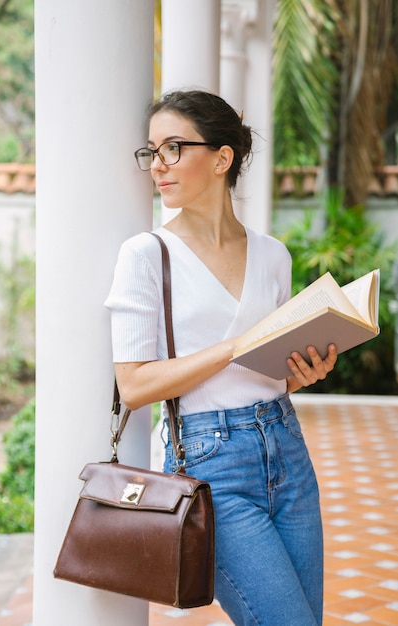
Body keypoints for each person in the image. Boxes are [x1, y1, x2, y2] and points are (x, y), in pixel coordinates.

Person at [104, 89, 337, 626]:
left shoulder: (273, 255)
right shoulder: (147, 254)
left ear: (221, 158)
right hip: (212, 466)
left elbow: (266, 374)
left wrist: (302, 373)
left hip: (287, 450)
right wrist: (236, 346)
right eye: (152, 151)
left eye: (173, 148)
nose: (157, 165)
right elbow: (135, 386)